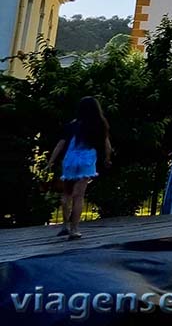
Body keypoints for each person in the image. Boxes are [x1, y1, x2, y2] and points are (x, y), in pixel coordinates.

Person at [50, 96, 112, 240]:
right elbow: (107, 145)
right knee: (79, 196)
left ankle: (65, 225)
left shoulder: (73, 124)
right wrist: (107, 159)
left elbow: (60, 144)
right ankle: (74, 230)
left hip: (70, 160)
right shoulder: (99, 124)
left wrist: (51, 161)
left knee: (67, 193)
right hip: (87, 160)